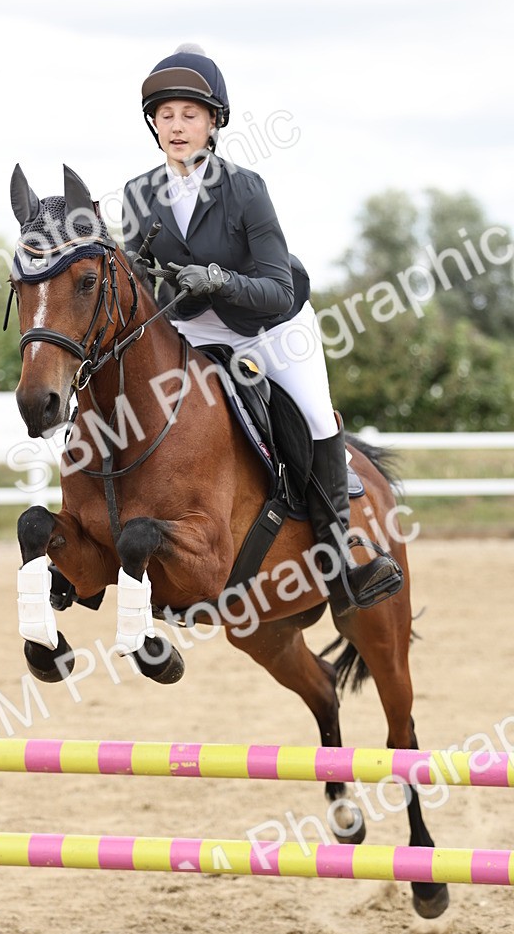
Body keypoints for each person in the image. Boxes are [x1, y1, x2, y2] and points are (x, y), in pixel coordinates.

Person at [121, 43, 403, 616]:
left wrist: (219, 280)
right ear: (153, 123)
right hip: (192, 334)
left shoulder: (245, 187)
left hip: (272, 328)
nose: (176, 126)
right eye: (165, 115)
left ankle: (340, 548)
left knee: (316, 416)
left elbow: (275, 287)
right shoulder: (136, 195)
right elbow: (141, 294)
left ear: (213, 123)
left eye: (189, 115)